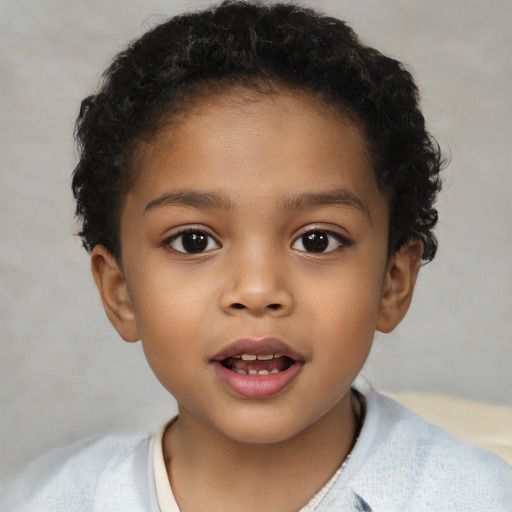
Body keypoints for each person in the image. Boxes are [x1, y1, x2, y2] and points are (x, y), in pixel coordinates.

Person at [1, 1, 510, 511]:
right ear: (120, 292)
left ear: (393, 282)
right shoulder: (45, 499)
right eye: (193, 241)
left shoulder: (481, 498)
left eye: (317, 240)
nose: (258, 290)